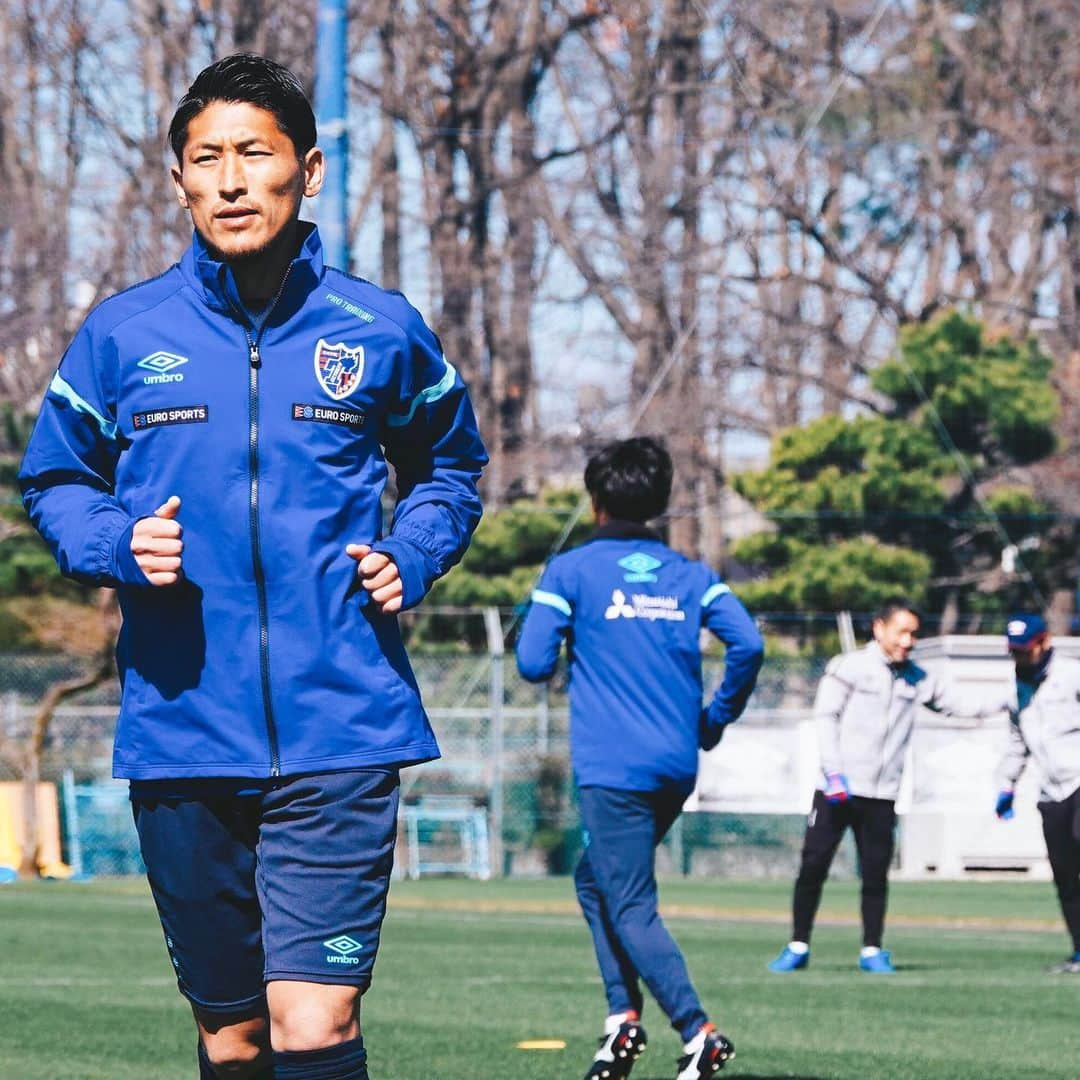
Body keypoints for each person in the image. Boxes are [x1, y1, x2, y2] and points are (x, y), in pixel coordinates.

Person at [19, 54, 486, 1080]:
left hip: (343, 725)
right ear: (180, 180)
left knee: (312, 1023)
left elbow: (453, 465)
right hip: (183, 732)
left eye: (255, 156)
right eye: (206, 159)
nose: (231, 181)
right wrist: (115, 544)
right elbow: (53, 480)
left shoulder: (382, 330)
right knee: (231, 1038)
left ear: (308, 171)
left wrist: (415, 551)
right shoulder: (122, 334)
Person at [515, 437, 764, 1080]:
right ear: (658, 504)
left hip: (613, 767)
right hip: (676, 764)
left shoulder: (571, 571)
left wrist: (562, 626)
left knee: (628, 900)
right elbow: (749, 644)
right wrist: (714, 719)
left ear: (595, 501)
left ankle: (697, 1030)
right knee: (595, 881)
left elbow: (533, 663)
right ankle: (622, 1023)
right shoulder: (691, 575)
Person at [768, 597, 991, 976]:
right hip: (837, 789)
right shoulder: (849, 668)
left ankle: (872, 949)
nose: (908, 641)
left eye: (914, 634)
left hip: (883, 794)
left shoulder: (917, 678)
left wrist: (1006, 698)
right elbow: (826, 718)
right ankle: (798, 944)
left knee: (875, 873)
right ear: (879, 628)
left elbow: (958, 705)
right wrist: (833, 772)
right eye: (902, 631)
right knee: (814, 865)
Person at [994, 614, 1080, 974]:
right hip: (1050, 791)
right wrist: (1007, 784)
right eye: (1013, 652)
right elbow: (1018, 742)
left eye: (1024, 651)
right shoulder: (1018, 689)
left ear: (1043, 643)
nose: (1019, 659)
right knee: (1065, 874)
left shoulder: (1072, 674)